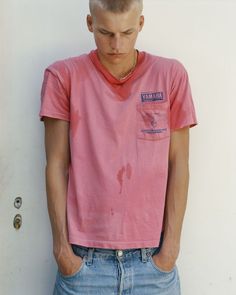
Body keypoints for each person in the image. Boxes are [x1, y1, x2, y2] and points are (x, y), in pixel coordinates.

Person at [39, 0, 197, 294]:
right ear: (90, 23)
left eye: (126, 32)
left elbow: (180, 164)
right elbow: (56, 164)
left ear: (140, 24)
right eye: (105, 32)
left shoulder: (171, 75)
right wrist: (62, 251)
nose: (117, 44)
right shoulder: (63, 77)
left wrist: (170, 250)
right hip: (84, 262)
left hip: (152, 261)